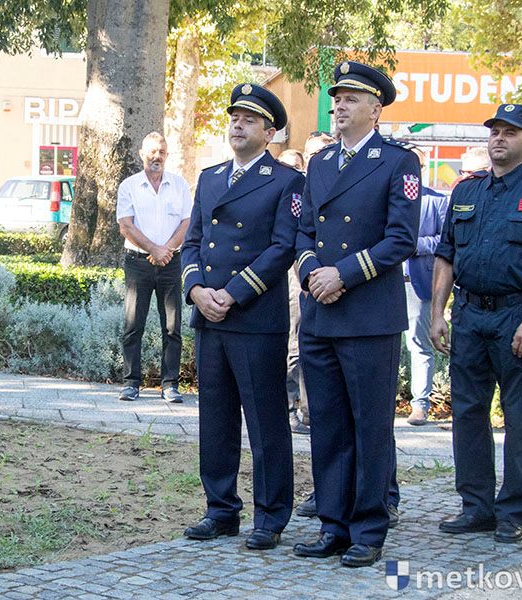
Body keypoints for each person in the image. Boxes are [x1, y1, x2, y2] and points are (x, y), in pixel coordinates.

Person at [291, 61, 420, 568]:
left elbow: (400, 239)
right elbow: (303, 230)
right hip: (321, 312)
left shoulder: (397, 162)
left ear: (375, 109)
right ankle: (333, 524)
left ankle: (368, 528)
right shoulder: (321, 162)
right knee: (327, 424)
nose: (339, 106)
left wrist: (341, 274)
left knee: (369, 426)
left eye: (350, 99)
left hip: (367, 315)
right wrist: (311, 272)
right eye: (337, 98)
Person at [431, 104, 522, 543]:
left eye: (510, 132)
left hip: (518, 315)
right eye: (495, 131)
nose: (499, 138)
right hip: (470, 315)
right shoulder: (466, 190)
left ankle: (511, 512)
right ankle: (476, 507)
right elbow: (446, 254)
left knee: (518, 418)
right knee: (467, 414)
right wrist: (437, 313)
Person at [181, 83, 304, 551]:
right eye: (234, 118)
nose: (238, 125)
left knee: (265, 422)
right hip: (210, 316)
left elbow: (282, 248)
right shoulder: (211, 177)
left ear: (269, 132)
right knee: (215, 419)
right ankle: (220, 509)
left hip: (254, 318)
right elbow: (192, 242)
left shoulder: (286, 181)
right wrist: (197, 290)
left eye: (249, 120)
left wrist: (231, 294)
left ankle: (270, 516)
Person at [116, 132, 193, 403]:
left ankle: (170, 384)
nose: (156, 156)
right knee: (133, 324)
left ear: (167, 155)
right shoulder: (129, 186)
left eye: (161, 151)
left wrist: (166, 250)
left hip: (171, 262)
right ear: (142, 154)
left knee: (172, 326)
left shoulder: (180, 185)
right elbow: (126, 225)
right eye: (151, 151)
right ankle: (131, 383)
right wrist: (154, 249)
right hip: (138, 263)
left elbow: (187, 222)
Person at [404, 148, 450, 426]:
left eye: (417, 165)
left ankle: (420, 404)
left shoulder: (436, 201)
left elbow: (445, 242)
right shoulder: (382, 197)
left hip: (418, 282)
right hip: (384, 282)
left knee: (418, 344)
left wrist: (413, 245)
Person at [277, 148, 311, 435]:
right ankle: (289, 409)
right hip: (292, 274)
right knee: (293, 347)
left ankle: (310, 411)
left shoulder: (314, 190)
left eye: (298, 167)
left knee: (311, 347)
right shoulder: (283, 192)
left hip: (317, 275)